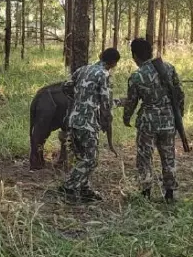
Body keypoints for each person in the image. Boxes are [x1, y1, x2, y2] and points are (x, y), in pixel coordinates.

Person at [122, 37, 184, 203]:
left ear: (135, 56)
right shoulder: (169, 68)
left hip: (148, 122)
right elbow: (179, 94)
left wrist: (126, 117)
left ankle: (145, 192)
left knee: (144, 157)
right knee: (168, 156)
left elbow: (131, 101)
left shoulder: (137, 76)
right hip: (168, 120)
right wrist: (179, 115)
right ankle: (170, 192)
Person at [60, 47, 120, 202]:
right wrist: (108, 118)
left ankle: (84, 189)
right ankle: (69, 187)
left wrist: (79, 99)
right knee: (91, 159)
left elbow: (65, 86)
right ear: (113, 63)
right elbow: (105, 103)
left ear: (100, 56)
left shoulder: (83, 69)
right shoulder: (104, 74)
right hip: (88, 123)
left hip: (74, 120)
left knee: (82, 156)